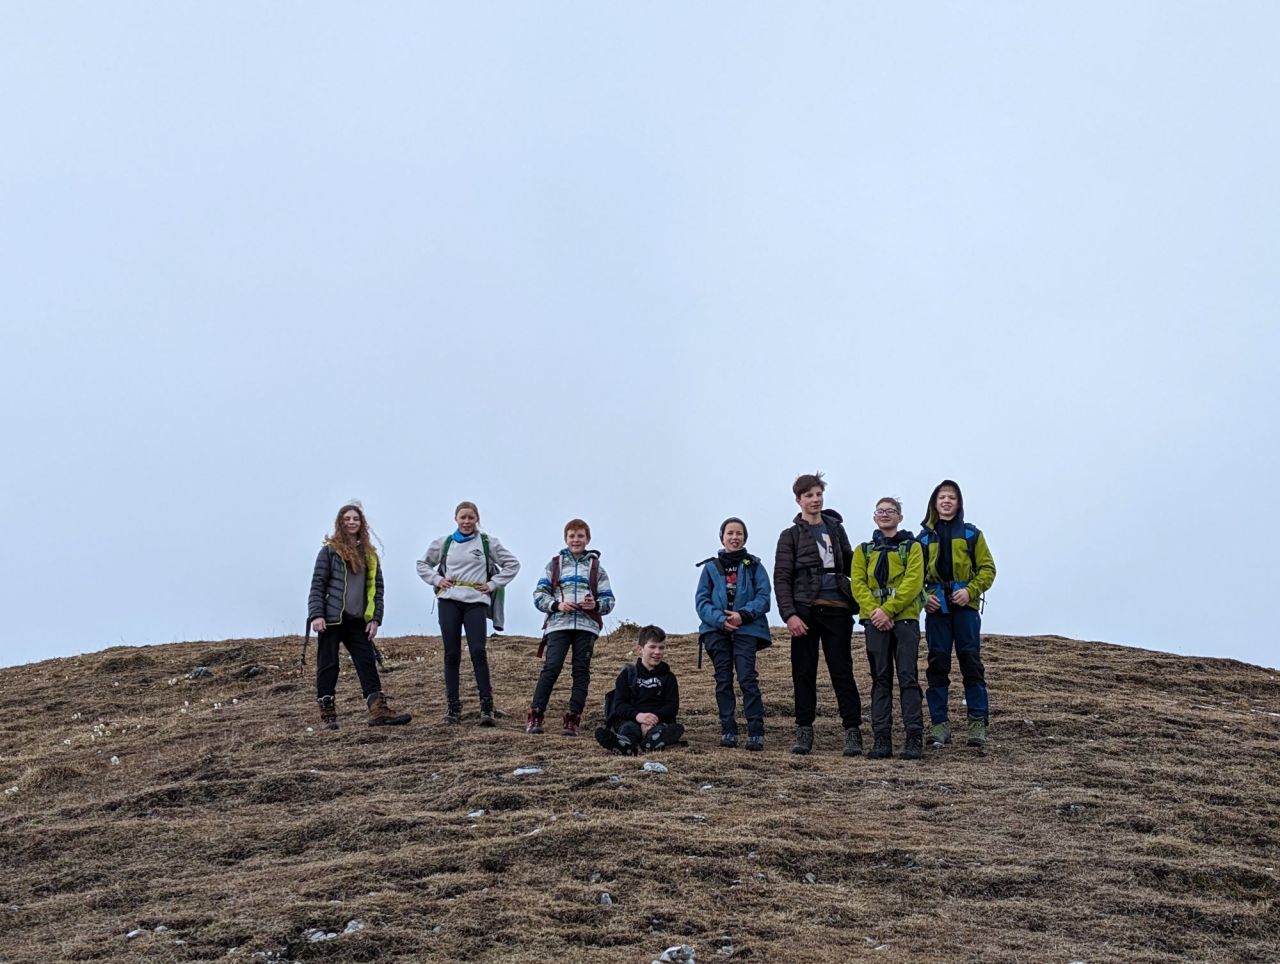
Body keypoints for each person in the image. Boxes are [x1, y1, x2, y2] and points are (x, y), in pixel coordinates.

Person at [774, 472, 863, 756]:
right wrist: (789, 615)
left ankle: (853, 731)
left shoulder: (835, 528)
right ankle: (804, 730)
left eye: (818, 494)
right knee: (803, 672)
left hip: (838, 607)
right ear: (798, 500)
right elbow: (781, 578)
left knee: (842, 670)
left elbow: (852, 564)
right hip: (805, 610)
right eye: (809, 495)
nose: (815, 499)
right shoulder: (789, 536)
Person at [307, 502, 411, 729]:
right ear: (340, 523)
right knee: (328, 664)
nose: (351, 522)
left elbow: (377, 589)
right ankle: (328, 715)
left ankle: (378, 710)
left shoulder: (369, 555)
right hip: (332, 618)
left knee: (366, 662)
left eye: (355, 519)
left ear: (362, 523)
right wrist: (316, 614)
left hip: (358, 620)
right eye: (347, 519)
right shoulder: (329, 551)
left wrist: (375, 619)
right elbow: (317, 585)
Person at [416, 501, 520, 725]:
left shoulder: (487, 543)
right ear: (455, 518)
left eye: (471, 517)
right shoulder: (444, 543)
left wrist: (492, 584)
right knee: (451, 654)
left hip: (476, 602)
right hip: (449, 600)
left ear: (477, 519)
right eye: (462, 517)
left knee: (478, 651)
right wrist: (437, 579)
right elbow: (422, 564)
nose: (466, 522)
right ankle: (453, 708)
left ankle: (487, 707)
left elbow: (513, 564)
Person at [917, 480, 997, 748]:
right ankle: (939, 725)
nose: (947, 501)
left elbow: (988, 569)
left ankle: (977, 724)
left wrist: (970, 591)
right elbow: (912, 576)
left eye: (952, 497)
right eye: (942, 497)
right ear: (934, 502)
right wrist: (924, 598)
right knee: (937, 664)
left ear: (959, 502)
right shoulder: (923, 539)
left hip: (965, 609)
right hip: (937, 609)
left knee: (971, 663)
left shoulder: (972, 534)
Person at [850, 497, 925, 760]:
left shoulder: (913, 547)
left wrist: (888, 610)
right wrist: (876, 612)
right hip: (874, 622)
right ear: (874, 517)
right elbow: (858, 584)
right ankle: (881, 739)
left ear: (900, 517)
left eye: (890, 511)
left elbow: (913, 582)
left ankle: (914, 737)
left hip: (905, 620)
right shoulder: (863, 550)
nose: (884, 515)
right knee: (880, 678)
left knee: (908, 677)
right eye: (880, 511)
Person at [528, 518, 616, 736]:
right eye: (572, 536)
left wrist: (595, 605)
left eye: (580, 536)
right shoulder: (554, 564)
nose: (576, 540)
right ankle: (536, 714)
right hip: (558, 625)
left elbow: (609, 600)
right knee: (552, 667)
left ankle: (573, 719)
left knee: (581, 671)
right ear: (565, 538)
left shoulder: (596, 568)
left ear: (588, 539)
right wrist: (557, 605)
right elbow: (538, 595)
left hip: (587, 627)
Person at [695, 517, 772, 750]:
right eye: (730, 533)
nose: (734, 537)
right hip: (716, 631)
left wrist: (742, 615)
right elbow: (702, 601)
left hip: (746, 629)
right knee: (723, 680)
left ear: (745, 538)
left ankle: (756, 732)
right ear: (722, 538)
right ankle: (728, 730)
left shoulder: (755, 565)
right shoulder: (710, 568)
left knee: (747, 678)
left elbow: (764, 597)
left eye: (739, 533)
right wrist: (720, 620)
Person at [594, 625, 684, 755]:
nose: (657, 652)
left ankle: (653, 741)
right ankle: (625, 744)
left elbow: (672, 706)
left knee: (660, 730)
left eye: (661, 647)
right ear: (640, 649)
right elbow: (619, 705)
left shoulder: (669, 677)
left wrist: (653, 719)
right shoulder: (627, 674)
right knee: (629, 729)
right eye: (652, 647)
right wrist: (638, 716)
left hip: (657, 721)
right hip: (631, 719)